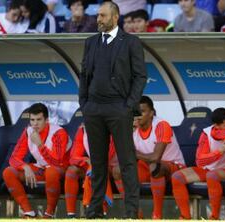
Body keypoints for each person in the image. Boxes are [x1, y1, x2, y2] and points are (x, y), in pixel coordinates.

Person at [79, 1, 147, 219]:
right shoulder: (90, 42)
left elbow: (140, 76)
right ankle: (95, 210)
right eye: (98, 15)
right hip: (94, 109)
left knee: (127, 162)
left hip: (119, 108)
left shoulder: (131, 42)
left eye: (103, 15)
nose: (99, 19)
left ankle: (130, 212)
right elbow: (84, 75)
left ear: (115, 17)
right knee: (98, 163)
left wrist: (129, 105)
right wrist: (84, 103)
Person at [112, 96, 185, 219]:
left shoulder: (161, 125)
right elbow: (126, 158)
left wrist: (133, 153)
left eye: (142, 111)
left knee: (154, 167)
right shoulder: (133, 128)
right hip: (146, 165)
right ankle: (134, 212)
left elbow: (156, 157)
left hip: (172, 166)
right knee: (117, 170)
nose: (138, 115)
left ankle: (156, 215)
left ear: (151, 113)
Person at [171, 107, 225, 219]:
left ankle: (214, 217)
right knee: (177, 177)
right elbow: (200, 160)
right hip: (210, 168)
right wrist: (220, 152)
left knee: (212, 175)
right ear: (216, 125)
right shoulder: (207, 133)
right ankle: (185, 216)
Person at [2, 103, 71, 218]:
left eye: (39, 120)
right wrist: (25, 166)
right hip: (42, 168)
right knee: (8, 172)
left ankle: (49, 214)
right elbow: (14, 158)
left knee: (51, 171)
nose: (35, 124)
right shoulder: (28, 132)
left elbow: (56, 161)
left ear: (47, 120)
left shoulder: (59, 133)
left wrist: (40, 144)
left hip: (62, 168)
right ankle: (29, 212)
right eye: (32, 120)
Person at [64, 123, 114, 218]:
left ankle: (99, 210)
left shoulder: (110, 127)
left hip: (112, 166)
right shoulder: (82, 130)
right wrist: (86, 160)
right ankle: (71, 215)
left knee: (95, 169)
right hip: (92, 165)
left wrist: (94, 163)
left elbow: (108, 156)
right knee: (71, 171)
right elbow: (73, 158)